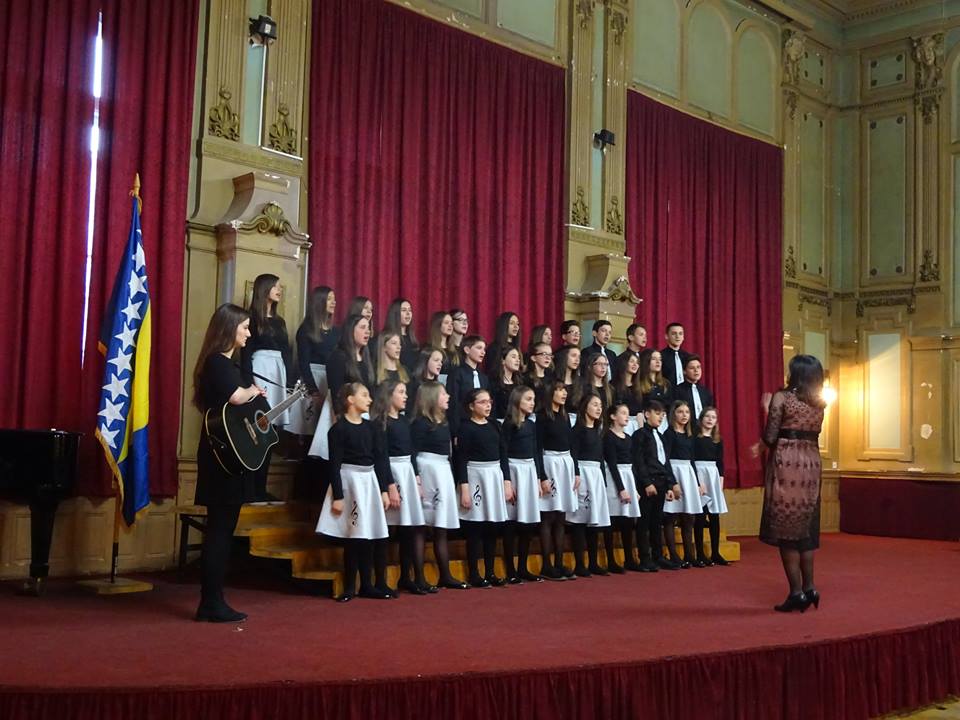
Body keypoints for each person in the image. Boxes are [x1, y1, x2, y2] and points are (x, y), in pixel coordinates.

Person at [192, 303, 266, 622]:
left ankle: (213, 599)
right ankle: (211, 602)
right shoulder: (217, 362)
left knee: (222, 528)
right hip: (220, 458)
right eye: (245, 327)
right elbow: (236, 397)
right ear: (229, 328)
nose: (248, 333)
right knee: (220, 531)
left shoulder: (225, 363)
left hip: (227, 454)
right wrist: (253, 390)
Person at [758, 355, 826, 613]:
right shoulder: (820, 402)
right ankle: (810, 588)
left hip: (788, 463)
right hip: (811, 463)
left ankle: (796, 593)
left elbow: (771, 436)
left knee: (786, 531)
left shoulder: (782, 398)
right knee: (805, 532)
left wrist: (768, 409)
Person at [315, 382, 392, 602]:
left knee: (367, 534)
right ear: (350, 399)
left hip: (369, 481)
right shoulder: (338, 430)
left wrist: (384, 490)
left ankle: (367, 585)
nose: (370, 400)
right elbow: (334, 465)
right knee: (353, 535)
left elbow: (380, 460)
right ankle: (349, 586)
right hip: (350, 482)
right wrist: (338, 496)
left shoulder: (372, 428)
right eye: (364, 395)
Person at [372, 380, 430, 594]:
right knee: (385, 530)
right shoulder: (380, 423)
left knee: (408, 528)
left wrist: (416, 478)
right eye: (401, 392)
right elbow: (381, 456)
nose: (406, 396)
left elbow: (412, 452)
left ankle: (407, 577)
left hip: (406, 472)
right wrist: (390, 486)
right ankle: (380, 580)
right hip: (390, 473)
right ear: (389, 395)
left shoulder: (405, 421)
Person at [411, 381, 467, 590]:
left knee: (441, 526)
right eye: (443, 394)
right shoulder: (420, 423)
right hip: (427, 470)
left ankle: (445, 574)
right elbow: (412, 452)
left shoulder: (444, 422)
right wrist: (417, 478)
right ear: (432, 397)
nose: (448, 396)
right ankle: (419, 578)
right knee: (421, 526)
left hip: (443, 469)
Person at [455, 388, 511, 588]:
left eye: (489, 402)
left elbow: (503, 453)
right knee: (475, 528)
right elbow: (461, 459)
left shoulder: (495, 425)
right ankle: (474, 574)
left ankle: (490, 571)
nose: (488, 405)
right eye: (482, 402)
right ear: (471, 406)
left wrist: (507, 481)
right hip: (475, 475)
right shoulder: (466, 428)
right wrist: (465, 488)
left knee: (492, 527)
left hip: (494, 475)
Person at [243, 273, 292, 501]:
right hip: (260, 372)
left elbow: (287, 352)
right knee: (258, 431)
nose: (279, 290)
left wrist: (288, 382)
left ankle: (260, 487)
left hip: (278, 373)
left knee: (271, 433)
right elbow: (246, 354)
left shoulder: (280, 321)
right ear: (264, 289)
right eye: (275, 286)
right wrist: (250, 384)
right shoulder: (251, 319)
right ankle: (251, 488)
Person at [500, 386, 546, 582]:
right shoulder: (509, 424)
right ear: (517, 400)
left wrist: (538, 479)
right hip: (514, 469)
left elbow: (536, 452)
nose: (532, 403)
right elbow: (503, 453)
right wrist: (507, 481)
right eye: (528, 399)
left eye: (533, 399)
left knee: (527, 523)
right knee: (511, 524)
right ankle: (511, 570)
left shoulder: (531, 425)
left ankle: (523, 567)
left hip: (529, 471)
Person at [536, 380, 579, 580]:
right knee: (548, 515)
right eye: (559, 390)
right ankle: (546, 564)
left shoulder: (565, 416)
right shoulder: (543, 417)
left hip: (565, 463)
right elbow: (537, 448)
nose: (563, 394)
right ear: (550, 393)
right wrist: (542, 476)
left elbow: (572, 445)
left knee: (561, 516)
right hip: (550, 463)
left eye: (564, 390)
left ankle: (559, 563)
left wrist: (576, 471)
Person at [632, 399, 681, 572]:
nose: (660, 417)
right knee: (644, 522)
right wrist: (646, 483)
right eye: (657, 413)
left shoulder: (660, 436)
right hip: (648, 483)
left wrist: (669, 486)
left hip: (661, 482)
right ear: (647, 414)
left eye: (662, 414)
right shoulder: (640, 435)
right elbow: (639, 462)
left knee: (657, 521)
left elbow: (664, 463)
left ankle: (658, 556)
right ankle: (645, 558)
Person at [567, 393, 610, 576]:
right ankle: (579, 563)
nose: (599, 409)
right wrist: (576, 473)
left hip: (596, 474)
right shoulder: (577, 430)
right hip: (583, 474)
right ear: (585, 407)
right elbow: (574, 454)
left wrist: (603, 480)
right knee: (580, 520)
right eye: (594, 405)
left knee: (594, 520)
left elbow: (600, 457)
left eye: (600, 405)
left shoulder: (598, 431)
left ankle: (593, 562)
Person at [662, 400, 705, 568]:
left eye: (687, 412)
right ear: (673, 414)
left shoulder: (689, 435)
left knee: (689, 517)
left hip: (688, 474)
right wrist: (672, 483)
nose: (684, 415)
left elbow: (692, 459)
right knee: (671, 516)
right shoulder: (669, 434)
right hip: (674, 472)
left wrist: (697, 483)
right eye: (680, 412)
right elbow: (665, 459)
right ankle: (674, 555)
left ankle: (689, 555)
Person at [602, 403, 642, 572]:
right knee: (612, 520)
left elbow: (633, 464)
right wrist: (621, 488)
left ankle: (629, 558)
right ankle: (611, 560)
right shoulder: (608, 437)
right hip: (614, 478)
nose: (627, 416)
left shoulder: (629, 438)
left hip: (628, 476)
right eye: (623, 413)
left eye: (628, 413)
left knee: (628, 520)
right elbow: (612, 464)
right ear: (613, 416)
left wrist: (635, 488)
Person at [693, 407, 729, 566]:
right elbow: (692, 460)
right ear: (701, 419)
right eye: (707, 416)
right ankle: (700, 553)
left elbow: (720, 462)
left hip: (713, 475)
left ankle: (715, 552)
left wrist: (720, 480)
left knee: (714, 516)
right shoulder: (695, 438)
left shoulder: (717, 440)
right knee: (700, 516)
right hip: (700, 474)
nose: (710, 420)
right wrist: (697, 482)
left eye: (713, 417)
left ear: (716, 421)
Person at [673, 354, 715, 434]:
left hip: (703, 432)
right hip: (686, 432)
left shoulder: (705, 392)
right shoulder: (677, 390)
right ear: (684, 371)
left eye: (698, 367)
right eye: (692, 368)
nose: (696, 370)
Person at [380, 298, 419, 370]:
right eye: (404, 310)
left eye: (410, 310)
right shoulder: (387, 337)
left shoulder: (412, 338)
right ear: (395, 313)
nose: (408, 313)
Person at [660, 322, 692, 389]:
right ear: (666, 336)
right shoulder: (660, 356)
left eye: (680, 333)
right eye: (674, 333)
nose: (677, 336)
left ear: (683, 337)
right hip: (667, 392)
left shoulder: (688, 357)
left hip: (686, 392)